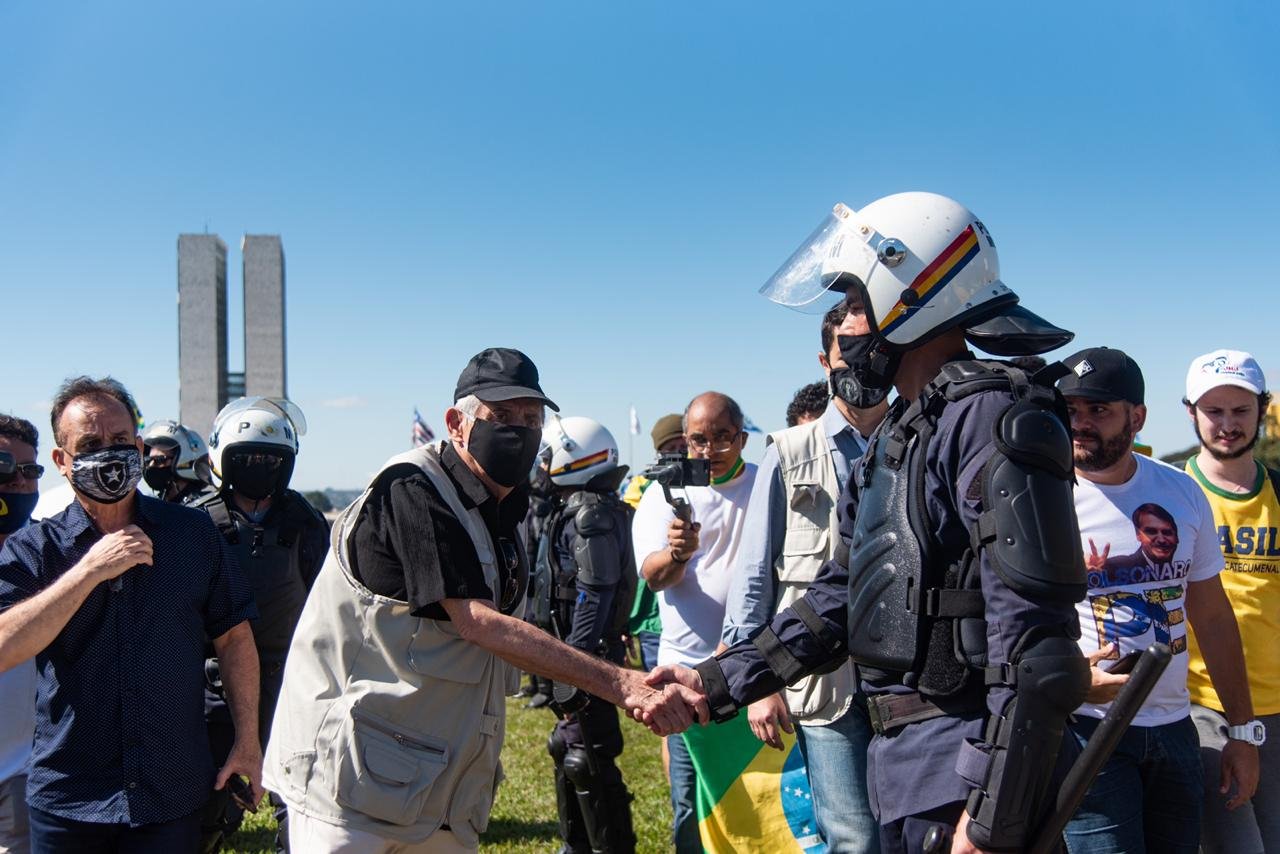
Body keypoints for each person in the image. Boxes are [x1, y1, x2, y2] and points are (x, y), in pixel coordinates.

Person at [648, 191, 1092, 852]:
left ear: (914, 296)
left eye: (856, 303)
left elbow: (1036, 650)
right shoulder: (903, 432)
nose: (848, 328)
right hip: (906, 772)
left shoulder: (993, 419)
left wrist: (995, 811)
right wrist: (714, 681)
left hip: (965, 782)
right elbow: (836, 602)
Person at [261, 348, 705, 853]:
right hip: (353, 782)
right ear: (456, 423)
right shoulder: (413, 485)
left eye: (531, 418)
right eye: (501, 416)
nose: (519, 430)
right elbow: (477, 623)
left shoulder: (502, 507)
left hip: (436, 785)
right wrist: (622, 682)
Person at [0, 376, 261, 853]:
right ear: (62, 461)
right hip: (68, 798)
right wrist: (89, 571)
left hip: (170, 795)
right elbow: (4, 647)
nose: (109, 453)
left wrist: (248, 740)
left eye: (120, 441)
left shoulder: (192, 534)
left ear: (140, 448)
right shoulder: (32, 549)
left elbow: (234, 637)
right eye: (91, 444)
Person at [1058, 346, 1259, 853]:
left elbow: (1212, 616)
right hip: (1087, 730)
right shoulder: (1042, 497)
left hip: (1175, 729)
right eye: (1071, 410)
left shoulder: (1183, 493)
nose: (1081, 423)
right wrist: (1066, 676)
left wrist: (1242, 729)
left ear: (1138, 416)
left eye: (1098, 410)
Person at [720, 301, 887, 852]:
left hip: (911, 677)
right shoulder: (788, 454)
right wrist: (756, 681)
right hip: (823, 679)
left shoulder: (920, 440)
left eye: (876, 348)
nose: (863, 363)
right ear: (825, 359)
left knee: (914, 830)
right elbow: (754, 578)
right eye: (849, 349)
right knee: (851, 836)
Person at [192, 397, 329, 853]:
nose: (259, 467)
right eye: (247, 458)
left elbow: (325, 599)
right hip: (211, 685)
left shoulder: (304, 522)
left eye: (270, 459)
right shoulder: (193, 522)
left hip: (290, 682)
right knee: (204, 806)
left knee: (303, 808)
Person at [632, 391, 756, 853]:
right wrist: (679, 552)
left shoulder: (766, 487)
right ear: (685, 441)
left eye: (722, 437)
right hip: (684, 673)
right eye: (700, 439)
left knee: (756, 797)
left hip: (754, 670)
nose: (710, 449)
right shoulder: (663, 495)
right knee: (691, 800)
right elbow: (654, 576)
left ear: (742, 438)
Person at [1180, 349, 1279, 853]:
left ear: (1261, 410)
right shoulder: (1172, 495)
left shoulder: (1278, 493)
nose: (1227, 424)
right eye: (1213, 410)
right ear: (1190, 412)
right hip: (1202, 710)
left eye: (1240, 410)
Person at [541, 415, 638, 854]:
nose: (539, 466)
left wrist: (574, 666)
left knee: (588, 759)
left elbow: (594, 592)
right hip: (576, 653)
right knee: (567, 747)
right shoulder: (582, 507)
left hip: (588, 655)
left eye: (547, 457)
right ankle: (575, 845)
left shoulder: (590, 513)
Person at [0, 416, 42, 854]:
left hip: (22, 772)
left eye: (30, 471)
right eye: (4, 466)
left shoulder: (51, 551)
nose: (18, 481)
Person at [623, 413, 686, 674]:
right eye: (670, 449)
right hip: (649, 614)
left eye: (682, 447)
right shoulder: (643, 488)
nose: (677, 455)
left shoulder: (711, 486)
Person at [140, 420, 216, 505]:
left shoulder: (207, 510)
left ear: (186, 460)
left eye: (160, 460)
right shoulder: (152, 509)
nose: (151, 465)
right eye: (148, 461)